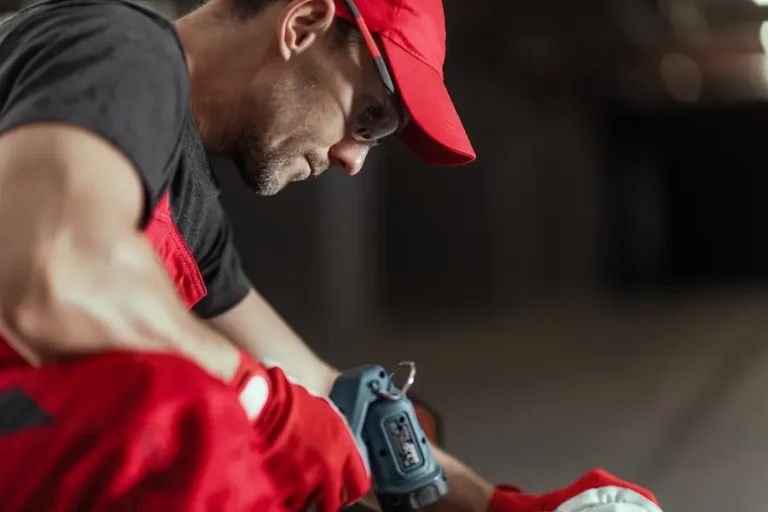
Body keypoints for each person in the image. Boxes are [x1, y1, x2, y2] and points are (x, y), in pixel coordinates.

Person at [0, 0, 663, 510]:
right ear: (306, 23)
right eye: (370, 117)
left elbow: (332, 396)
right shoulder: (120, 49)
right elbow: (55, 271)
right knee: (183, 423)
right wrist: (263, 403)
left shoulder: (188, 200)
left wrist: (498, 504)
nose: (352, 160)